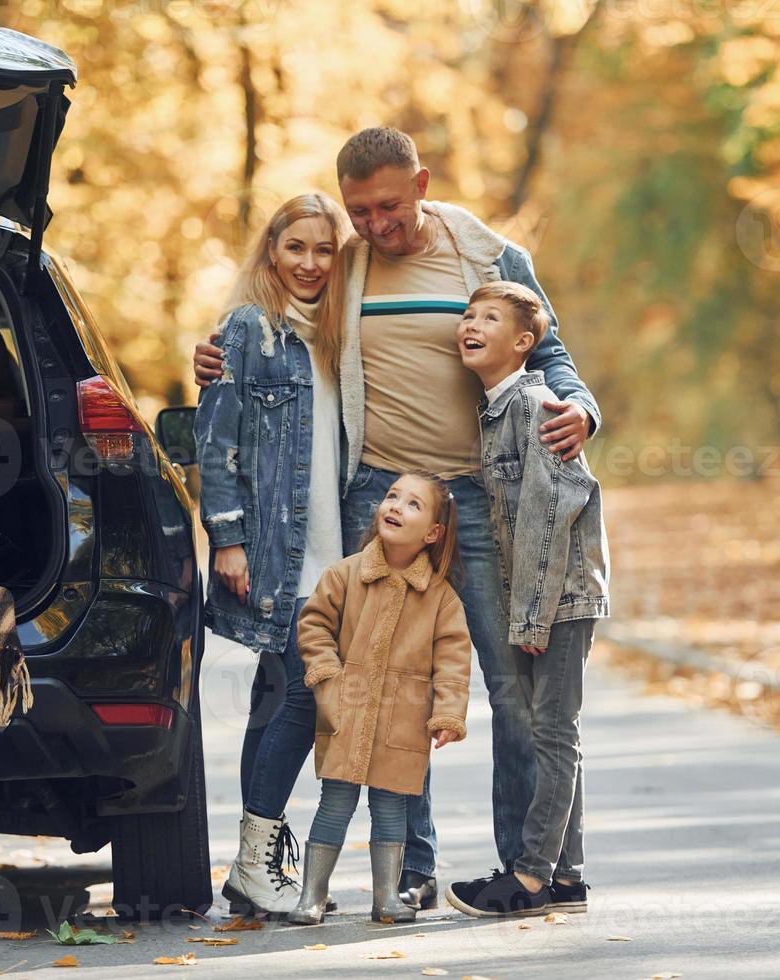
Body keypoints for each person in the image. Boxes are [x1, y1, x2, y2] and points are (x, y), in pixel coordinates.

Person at [194, 127, 601, 911]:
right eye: (359, 211)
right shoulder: (346, 263)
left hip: (478, 498)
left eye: (387, 206)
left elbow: (550, 352)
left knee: (510, 686)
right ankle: (411, 870)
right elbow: (284, 321)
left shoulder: (489, 257)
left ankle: (534, 867)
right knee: (384, 685)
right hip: (375, 494)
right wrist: (218, 358)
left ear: (421, 183)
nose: (375, 224)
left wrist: (581, 408)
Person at [193, 192, 353, 916]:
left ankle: (249, 869)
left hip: (332, 550)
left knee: (273, 695)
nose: (311, 263)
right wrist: (226, 538)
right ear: (272, 251)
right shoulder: (248, 330)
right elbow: (214, 443)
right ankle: (257, 863)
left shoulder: (339, 335)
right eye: (297, 248)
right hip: (271, 551)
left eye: (325, 249)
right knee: (297, 692)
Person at [445, 281, 609, 916]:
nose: (471, 324)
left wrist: (532, 614)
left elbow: (548, 515)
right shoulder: (493, 409)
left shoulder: (536, 405)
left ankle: (533, 878)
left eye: (490, 317)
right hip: (542, 594)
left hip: (563, 594)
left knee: (553, 730)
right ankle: (567, 878)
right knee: (554, 731)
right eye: (468, 314)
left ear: (522, 343)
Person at [284, 471, 470, 925]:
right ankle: (312, 895)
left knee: (391, 809)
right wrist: (328, 677)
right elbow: (312, 625)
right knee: (335, 803)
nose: (395, 506)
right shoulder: (345, 575)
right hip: (346, 710)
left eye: (412, 504)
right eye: (391, 496)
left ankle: (386, 896)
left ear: (432, 533)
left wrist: (447, 712)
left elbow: (453, 658)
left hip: (403, 721)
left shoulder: (441, 598)